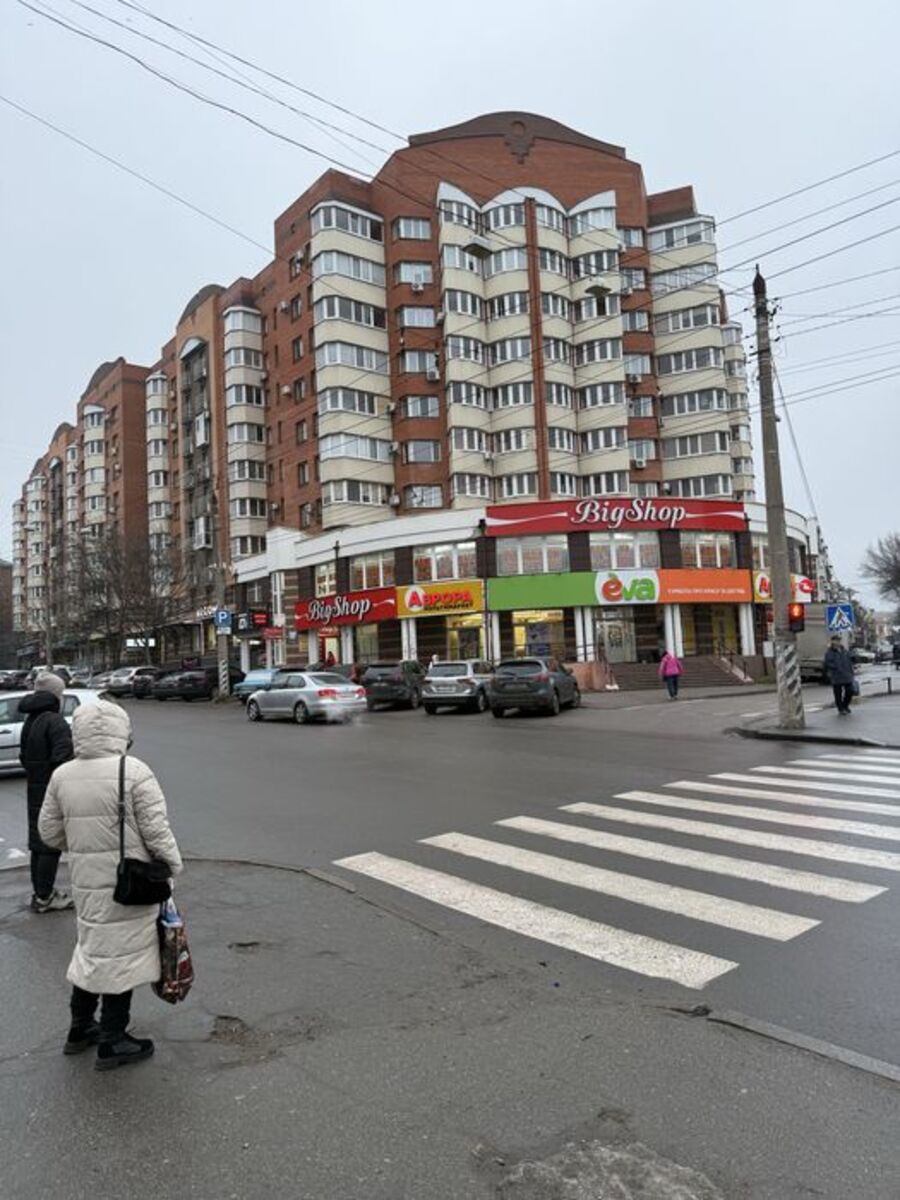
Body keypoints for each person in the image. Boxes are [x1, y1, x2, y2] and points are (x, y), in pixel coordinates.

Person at [38, 699, 183, 1070]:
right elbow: (156, 830)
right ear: (122, 731)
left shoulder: (62, 775)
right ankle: (113, 1040)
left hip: (87, 881)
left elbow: (48, 832)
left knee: (93, 950)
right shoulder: (134, 771)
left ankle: (80, 1028)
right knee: (122, 957)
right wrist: (171, 867)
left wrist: (84, 847)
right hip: (129, 883)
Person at [18, 672, 74, 913]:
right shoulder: (54, 721)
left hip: (34, 787)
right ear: (56, 695)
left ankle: (41, 893)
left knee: (38, 843)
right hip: (52, 790)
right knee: (50, 845)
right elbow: (63, 759)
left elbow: (23, 757)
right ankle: (46, 897)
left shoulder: (31, 720)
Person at [823, 636, 855, 715]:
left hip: (847, 675)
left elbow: (849, 661)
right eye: (836, 641)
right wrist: (837, 668)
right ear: (832, 642)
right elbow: (828, 663)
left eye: (839, 640)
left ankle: (845, 705)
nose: (837, 642)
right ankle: (841, 709)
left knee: (850, 690)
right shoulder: (829, 652)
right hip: (836, 675)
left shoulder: (844, 650)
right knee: (838, 694)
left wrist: (851, 672)